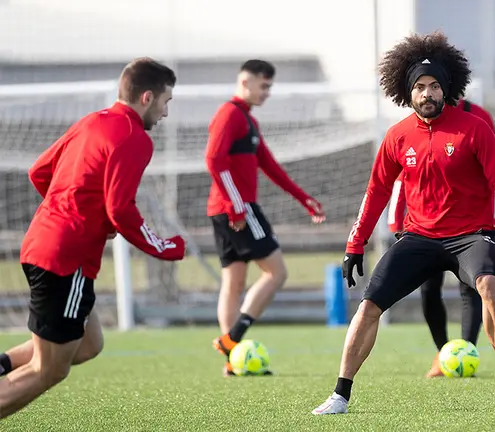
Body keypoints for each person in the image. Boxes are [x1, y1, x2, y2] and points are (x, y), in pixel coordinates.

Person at [312, 31, 495, 415]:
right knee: (368, 305)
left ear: (447, 90)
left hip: (471, 237)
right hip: (419, 238)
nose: (427, 93)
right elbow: (376, 192)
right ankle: (340, 394)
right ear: (407, 93)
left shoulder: (473, 129)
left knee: (489, 286)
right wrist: (354, 244)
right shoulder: (397, 137)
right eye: (420, 87)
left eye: (433, 86)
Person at [0, 58, 186, 419]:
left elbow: (39, 171)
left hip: (43, 243)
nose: (165, 112)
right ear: (147, 97)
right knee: (49, 369)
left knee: (88, 344)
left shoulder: (93, 121)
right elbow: (121, 209)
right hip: (64, 258)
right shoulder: (134, 137)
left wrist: (73, 212)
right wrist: (166, 247)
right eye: (166, 102)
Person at [206, 59, 326, 376]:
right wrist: (237, 208)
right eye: (264, 86)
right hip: (237, 209)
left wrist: (303, 198)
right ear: (245, 82)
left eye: (270, 87)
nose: (267, 93)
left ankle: (231, 360)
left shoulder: (248, 121)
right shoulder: (230, 114)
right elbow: (214, 161)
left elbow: (270, 166)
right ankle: (233, 339)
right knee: (277, 273)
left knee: (233, 283)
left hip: (224, 209)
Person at [387, 98, 495, 378]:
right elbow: (402, 174)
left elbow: (494, 170)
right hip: (426, 225)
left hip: (470, 223)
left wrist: (493, 223)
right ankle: (442, 353)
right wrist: (395, 223)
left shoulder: (479, 117)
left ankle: (465, 353)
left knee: (470, 288)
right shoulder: (416, 120)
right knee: (428, 290)